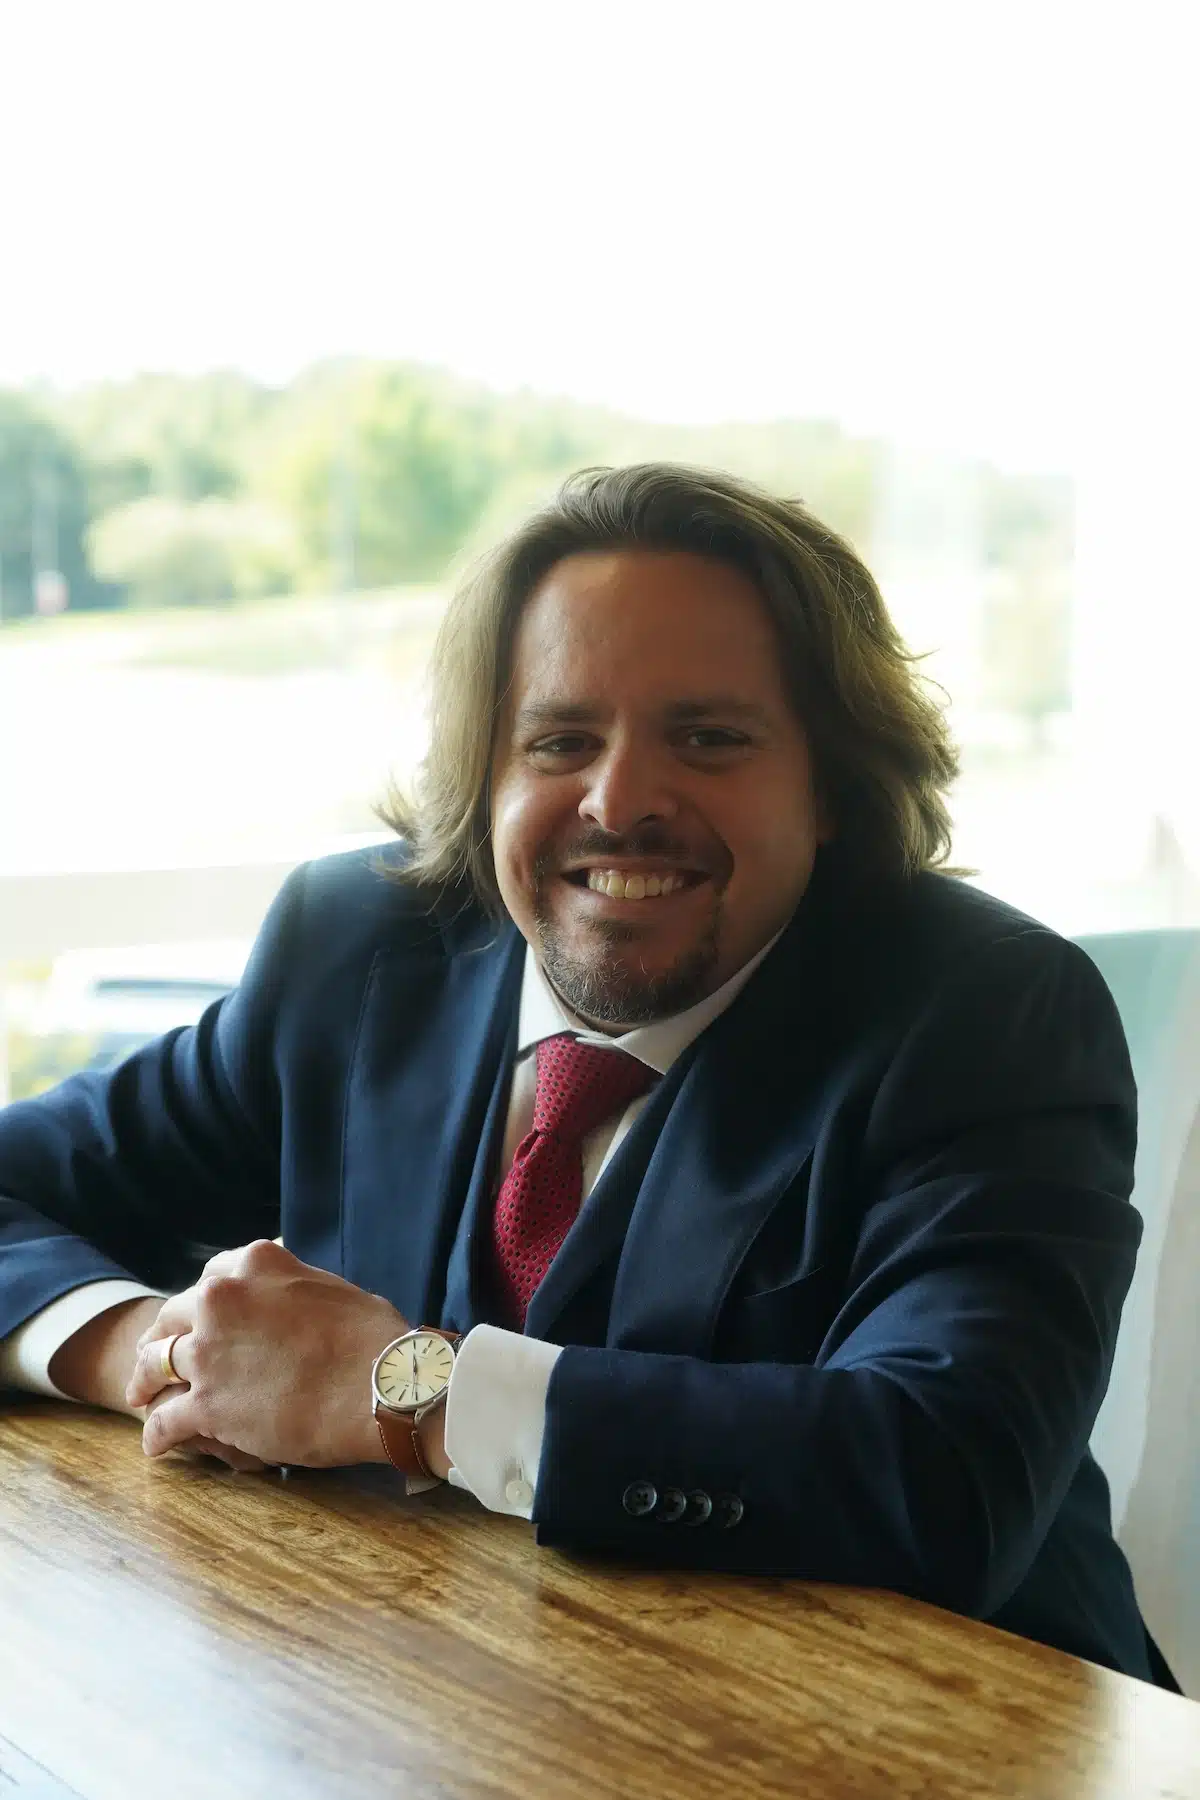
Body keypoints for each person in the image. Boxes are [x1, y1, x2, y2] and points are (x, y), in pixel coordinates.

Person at [0, 463, 1176, 1689]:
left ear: (829, 783)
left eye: (709, 739)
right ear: (484, 774)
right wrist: (151, 1349)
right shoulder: (357, 948)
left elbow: (946, 1478)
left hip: (938, 1726)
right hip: (454, 1706)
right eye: (560, 739)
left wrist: (411, 1398)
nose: (620, 803)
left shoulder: (988, 1013)